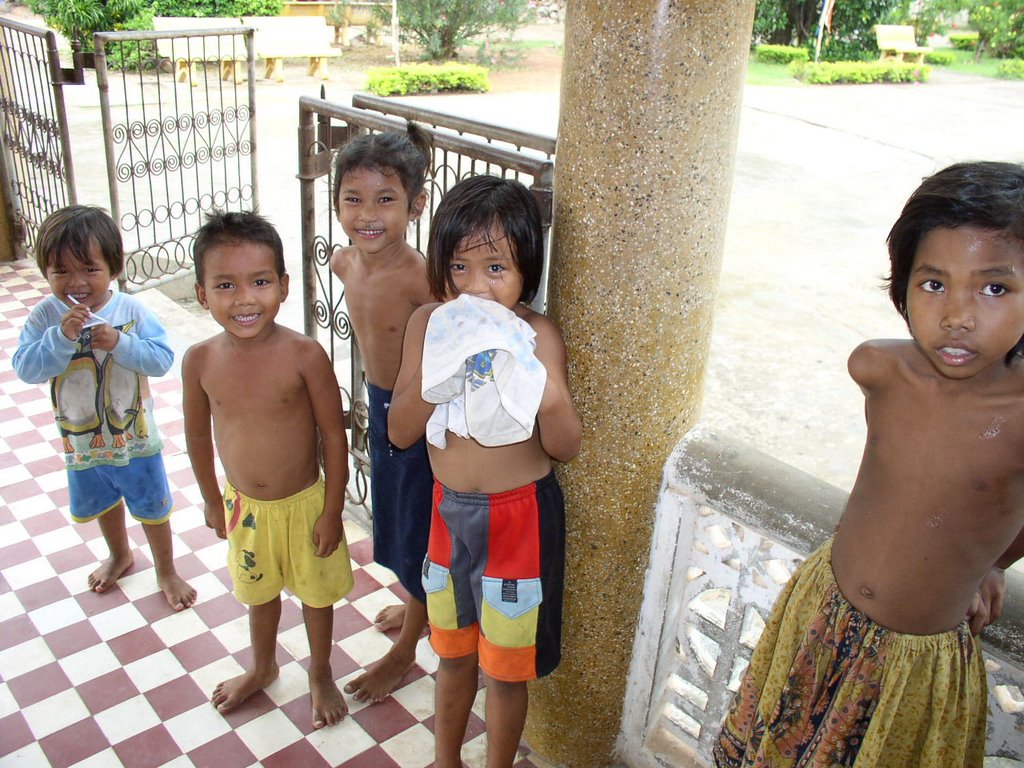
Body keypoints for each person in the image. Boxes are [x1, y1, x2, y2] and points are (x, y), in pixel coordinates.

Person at [714, 160, 1024, 768]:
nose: (958, 314)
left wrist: (990, 562)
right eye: (934, 283)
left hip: (917, 659)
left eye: (994, 288)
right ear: (902, 287)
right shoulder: (879, 371)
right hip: (820, 614)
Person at [388, 174, 582, 767]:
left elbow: (565, 446)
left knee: (505, 668)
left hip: (519, 520)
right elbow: (400, 431)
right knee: (451, 654)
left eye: (496, 268)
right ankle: (446, 758)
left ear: (527, 271)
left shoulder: (538, 334)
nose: (475, 287)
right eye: (460, 268)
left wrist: (543, 389)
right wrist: (444, 364)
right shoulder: (429, 324)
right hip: (450, 517)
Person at [182, 210, 353, 729]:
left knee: (316, 597)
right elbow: (196, 435)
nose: (244, 298)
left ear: (282, 285)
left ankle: (320, 670)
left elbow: (331, 435)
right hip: (245, 511)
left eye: (259, 282)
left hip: (305, 505)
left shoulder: (305, 355)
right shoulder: (199, 361)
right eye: (225, 285)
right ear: (202, 294)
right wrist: (212, 498)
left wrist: (332, 509)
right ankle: (262, 665)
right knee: (258, 595)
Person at [12, 205, 196, 611]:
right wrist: (59, 339)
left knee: (151, 504)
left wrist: (121, 343)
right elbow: (27, 369)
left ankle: (165, 569)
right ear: (45, 271)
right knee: (103, 501)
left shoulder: (130, 311)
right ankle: (119, 554)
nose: (76, 283)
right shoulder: (45, 316)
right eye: (61, 272)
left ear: (114, 267)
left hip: (136, 438)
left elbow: (162, 360)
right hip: (83, 440)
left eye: (89, 270)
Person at [329, 122, 435, 704]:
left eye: (386, 200)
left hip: (418, 417)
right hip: (379, 404)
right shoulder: (346, 263)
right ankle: (416, 602)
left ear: (415, 206)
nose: (368, 214)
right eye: (354, 198)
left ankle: (406, 651)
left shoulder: (420, 276)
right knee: (395, 515)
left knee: (418, 524)